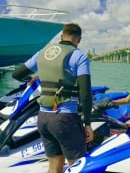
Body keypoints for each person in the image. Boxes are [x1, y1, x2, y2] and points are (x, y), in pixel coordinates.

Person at [12, 23, 93, 173]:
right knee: (78, 167)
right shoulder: (79, 56)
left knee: (54, 168)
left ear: (61, 37)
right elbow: (85, 93)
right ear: (79, 40)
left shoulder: (42, 53)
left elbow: (16, 74)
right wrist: (88, 123)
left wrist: (32, 77)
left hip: (43, 118)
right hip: (65, 118)